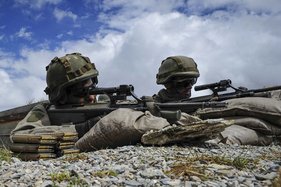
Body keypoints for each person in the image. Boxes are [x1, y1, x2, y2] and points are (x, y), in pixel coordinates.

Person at [9, 53, 169, 160]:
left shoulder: (106, 103)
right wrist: (85, 127)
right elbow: (19, 136)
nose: (91, 96)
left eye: (92, 88)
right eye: (81, 92)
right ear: (60, 96)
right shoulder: (44, 110)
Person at [152, 55, 281, 146]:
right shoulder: (154, 104)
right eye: (184, 83)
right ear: (167, 84)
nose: (189, 87)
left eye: (192, 81)